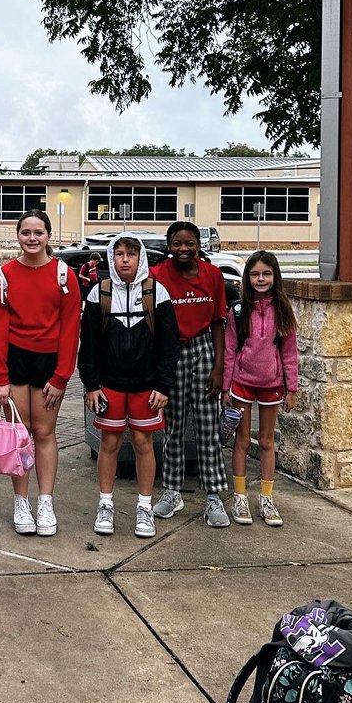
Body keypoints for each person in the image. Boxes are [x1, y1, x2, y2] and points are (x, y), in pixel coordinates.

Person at [79, 234, 180, 538]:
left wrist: (163, 385)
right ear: (111, 258)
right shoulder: (100, 293)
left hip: (146, 386)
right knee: (109, 444)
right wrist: (91, 384)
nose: (125, 259)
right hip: (109, 385)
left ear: (141, 258)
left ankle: (144, 507)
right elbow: (90, 344)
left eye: (131, 254)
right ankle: (106, 504)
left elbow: (169, 345)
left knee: (142, 443)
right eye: (119, 253)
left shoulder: (157, 293)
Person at [0, 209, 81, 535]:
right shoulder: (4, 276)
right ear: (18, 236)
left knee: (44, 432)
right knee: (20, 433)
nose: (31, 238)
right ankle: (21, 501)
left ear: (48, 236)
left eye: (38, 232)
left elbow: (71, 328)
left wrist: (61, 376)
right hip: (16, 362)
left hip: (49, 362)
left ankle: (45, 501)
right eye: (25, 232)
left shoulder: (63, 275)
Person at [150, 221, 231, 527]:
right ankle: (172, 491)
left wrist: (219, 368)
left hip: (204, 349)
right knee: (172, 428)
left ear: (199, 245)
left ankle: (213, 497)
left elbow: (218, 323)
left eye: (189, 243)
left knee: (208, 428)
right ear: (168, 246)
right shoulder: (157, 276)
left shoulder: (212, 275)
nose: (183, 249)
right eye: (177, 243)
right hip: (170, 353)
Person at [223, 251, 298, 527]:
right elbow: (231, 349)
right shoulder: (239, 310)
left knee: (267, 441)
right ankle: (240, 496)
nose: (260, 279)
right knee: (241, 441)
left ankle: (267, 497)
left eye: (266, 274)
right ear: (247, 277)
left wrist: (293, 388)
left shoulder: (283, 311)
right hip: (242, 384)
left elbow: (289, 352)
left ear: (275, 276)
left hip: (272, 385)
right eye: (255, 274)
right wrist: (226, 388)